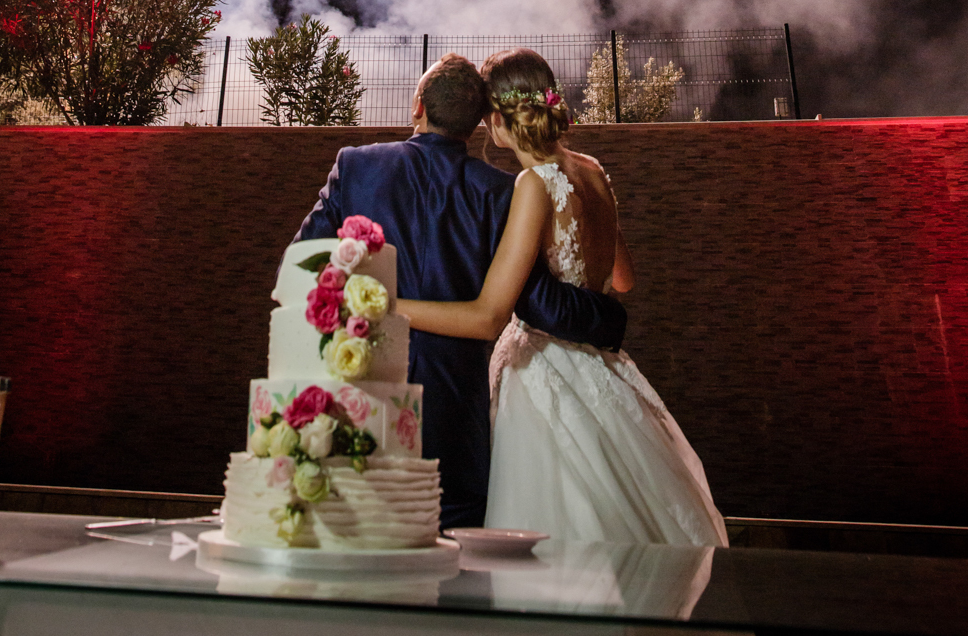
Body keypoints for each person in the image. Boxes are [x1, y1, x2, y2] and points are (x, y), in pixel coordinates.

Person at [396, 48, 728, 546]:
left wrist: (387, 306)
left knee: (554, 523)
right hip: (604, 368)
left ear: (496, 119)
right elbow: (623, 279)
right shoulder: (592, 169)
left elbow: (490, 314)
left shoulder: (532, 185)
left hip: (544, 371)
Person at [295, 53, 628, 529]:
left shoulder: (355, 166)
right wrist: (611, 319)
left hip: (354, 388)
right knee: (455, 543)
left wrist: (357, 299)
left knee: (345, 527)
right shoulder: (500, 190)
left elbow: (304, 264)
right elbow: (540, 304)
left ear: (417, 107)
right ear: (477, 125)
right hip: (456, 412)